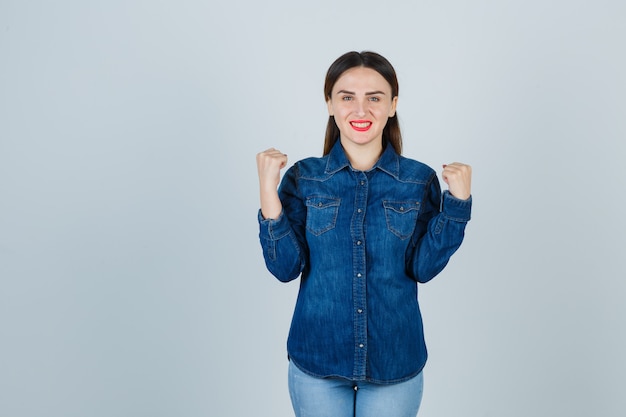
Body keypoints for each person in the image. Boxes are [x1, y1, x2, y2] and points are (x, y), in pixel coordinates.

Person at [256, 51, 472, 417]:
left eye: (374, 97)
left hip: (394, 360)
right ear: (329, 104)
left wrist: (458, 204)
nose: (361, 110)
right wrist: (267, 191)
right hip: (317, 359)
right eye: (346, 97)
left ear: (393, 105)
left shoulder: (419, 181)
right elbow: (284, 268)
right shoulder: (304, 178)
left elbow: (423, 268)